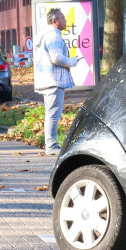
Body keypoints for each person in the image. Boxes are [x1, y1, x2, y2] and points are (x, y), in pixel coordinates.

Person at [34, 8, 79, 156]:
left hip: (47, 79)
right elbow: (57, 58)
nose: (65, 21)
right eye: (63, 18)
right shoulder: (53, 36)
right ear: (55, 21)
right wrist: (72, 62)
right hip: (54, 80)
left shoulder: (45, 35)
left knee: (50, 113)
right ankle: (51, 145)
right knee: (54, 113)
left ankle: (50, 143)